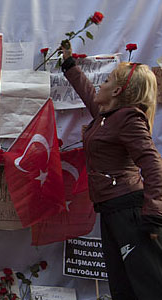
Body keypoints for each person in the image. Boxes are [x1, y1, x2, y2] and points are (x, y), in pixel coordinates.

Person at [61, 41, 162, 300]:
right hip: (111, 209)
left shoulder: (128, 118)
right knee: (121, 285)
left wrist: (154, 213)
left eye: (105, 81)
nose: (100, 85)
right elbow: (87, 93)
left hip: (130, 211)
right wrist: (70, 65)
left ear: (117, 90)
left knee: (146, 286)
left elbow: (153, 165)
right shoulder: (109, 118)